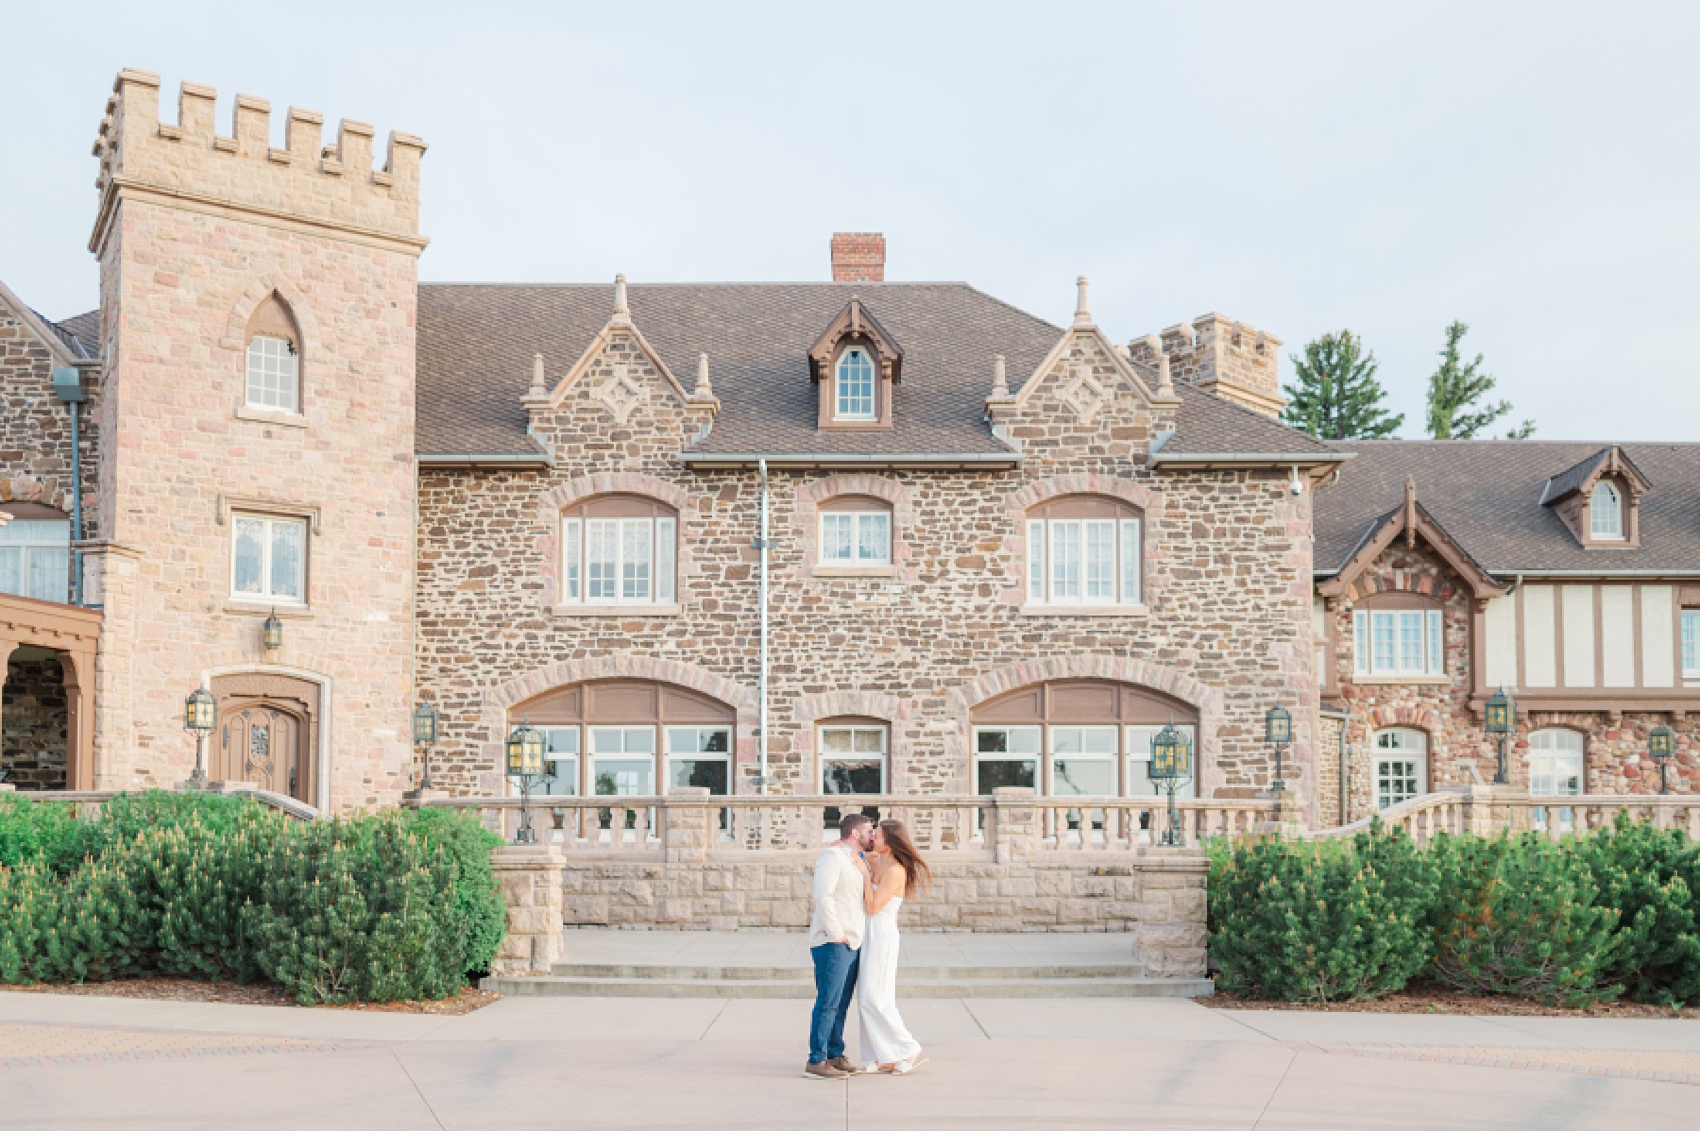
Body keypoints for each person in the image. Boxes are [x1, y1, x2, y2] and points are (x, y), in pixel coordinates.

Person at [853, 819, 931, 1075]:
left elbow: (874, 906)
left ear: (891, 841)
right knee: (865, 998)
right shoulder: (877, 860)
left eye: (878, 834)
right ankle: (881, 1054)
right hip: (868, 933)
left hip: (882, 935)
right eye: (873, 833)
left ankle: (907, 1047)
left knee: (878, 997)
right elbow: (855, 852)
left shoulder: (896, 870)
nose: (873, 837)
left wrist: (865, 876)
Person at [804, 811, 874, 1080]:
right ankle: (816, 1059)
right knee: (828, 1002)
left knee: (842, 1004)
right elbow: (824, 896)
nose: (872, 836)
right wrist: (835, 933)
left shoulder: (858, 859)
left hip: (853, 941)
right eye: (869, 831)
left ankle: (835, 1053)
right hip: (833, 941)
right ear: (855, 833)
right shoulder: (832, 856)